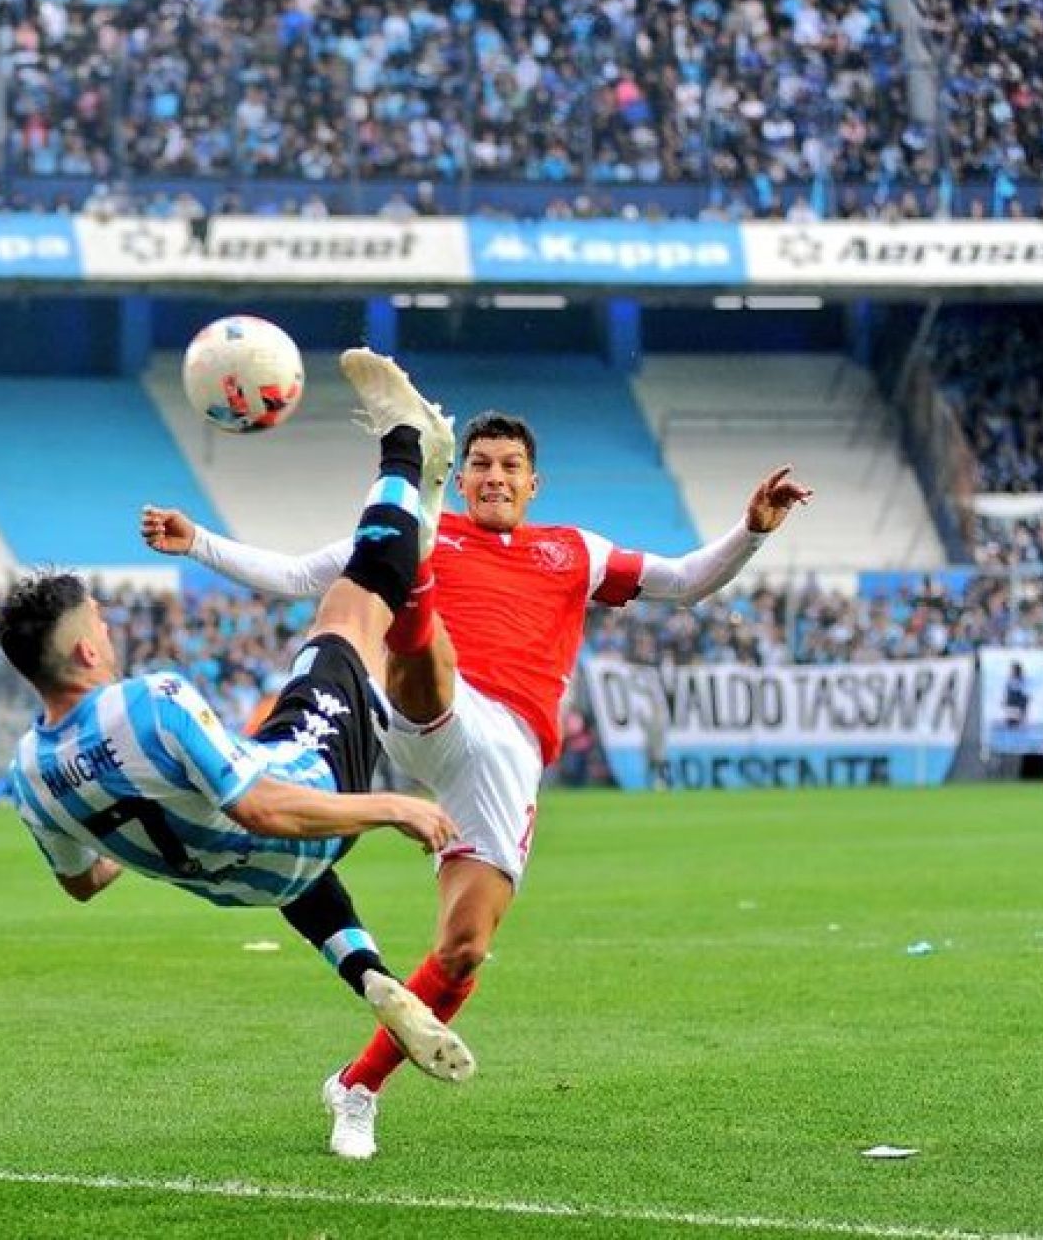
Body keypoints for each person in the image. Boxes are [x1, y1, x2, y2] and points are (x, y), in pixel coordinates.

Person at [143, 354, 812, 1160]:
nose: (494, 477)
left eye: (510, 468)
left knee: (462, 951)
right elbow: (293, 575)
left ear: (535, 484)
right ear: (459, 480)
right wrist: (198, 543)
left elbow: (686, 581)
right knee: (417, 631)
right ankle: (414, 568)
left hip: (507, 754)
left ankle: (356, 1089)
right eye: (480, 466)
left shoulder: (576, 552)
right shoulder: (427, 536)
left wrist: (752, 529)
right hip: (421, 703)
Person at [0, 350, 478, 1102]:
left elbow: (83, 883)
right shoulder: (150, 700)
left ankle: (371, 975)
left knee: (247, 818)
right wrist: (394, 806)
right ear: (89, 647)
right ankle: (405, 442)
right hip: (304, 812)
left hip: (248, 883)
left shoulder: (28, 774)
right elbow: (262, 806)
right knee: (350, 613)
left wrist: (153, 829)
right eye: (102, 622)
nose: (111, 631)